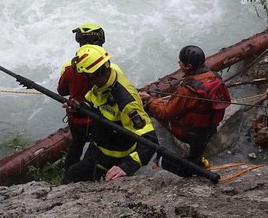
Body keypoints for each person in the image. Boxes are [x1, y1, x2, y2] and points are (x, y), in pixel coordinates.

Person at [64, 45, 158, 183]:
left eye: (85, 75)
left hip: (113, 159)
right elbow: (92, 103)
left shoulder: (126, 101)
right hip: (97, 148)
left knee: (72, 175)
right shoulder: (102, 83)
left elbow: (150, 141)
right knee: (74, 174)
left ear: (94, 74)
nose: (85, 78)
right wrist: (78, 108)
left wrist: (126, 167)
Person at [139, 45, 231, 177]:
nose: (179, 64)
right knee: (195, 157)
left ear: (187, 67)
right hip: (208, 131)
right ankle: (196, 161)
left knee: (152, 109)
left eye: (180, 62)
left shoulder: (188, 90)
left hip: (189, 132)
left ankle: (161, 160)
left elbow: (166, 112)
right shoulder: (215, 77)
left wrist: (150, 100)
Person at [56, 24, 105, 174]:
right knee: (99, 145)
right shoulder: (106, 64)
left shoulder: (70, 67)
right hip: (100, 116)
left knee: (76, 145)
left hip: (77, 118)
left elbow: (61, 91)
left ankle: (69, 172)